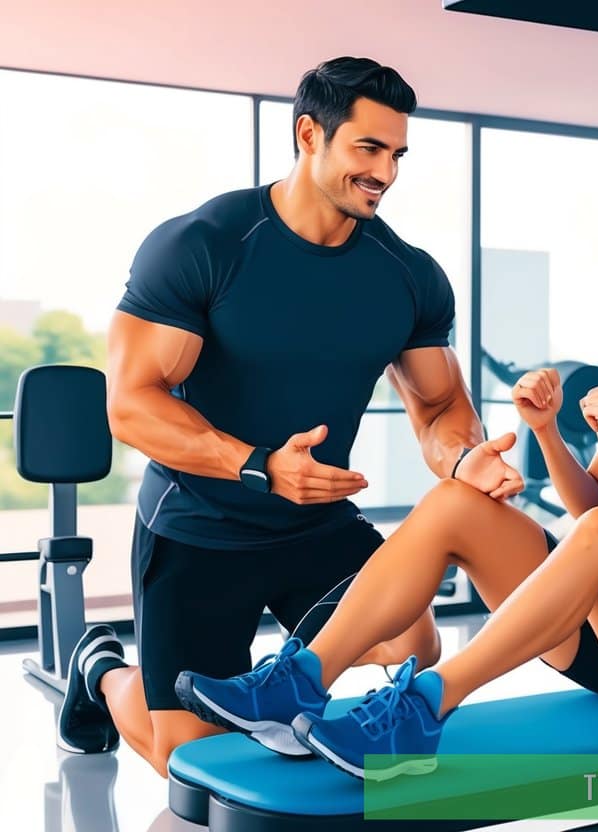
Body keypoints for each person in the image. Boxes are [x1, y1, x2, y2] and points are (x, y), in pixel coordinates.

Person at [177, 163, 598, 780]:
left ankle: (423, 709)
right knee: (455, 501)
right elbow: (592, 502)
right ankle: (300, 682)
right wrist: (545, 430)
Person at [56, 57, 525, 777]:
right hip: (201, 525)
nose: (386, 173)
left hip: (316, 524)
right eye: (368, 149)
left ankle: (277, 684)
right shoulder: (205, 244)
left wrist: (464, 457)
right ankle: (103, 672)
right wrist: (258, 466)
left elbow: (437, 405)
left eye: (397, 154)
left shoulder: (407, 274)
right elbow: (131, 402)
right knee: (192, 761)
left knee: (413, 644)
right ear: (310, 135)